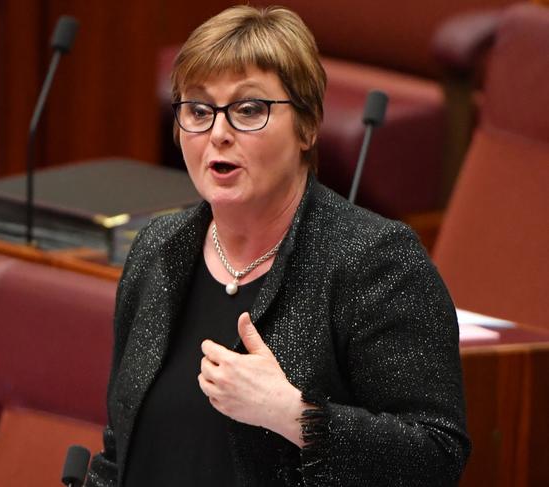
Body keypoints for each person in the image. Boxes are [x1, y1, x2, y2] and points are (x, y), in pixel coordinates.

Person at [87, 5, 470, 486]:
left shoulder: (375, 262)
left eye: (249, 110)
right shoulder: (158, 252)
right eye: (199, 111)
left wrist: (292, 414)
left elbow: (436, 455)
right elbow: (120, 450)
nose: (219, 134)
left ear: (308, 127)